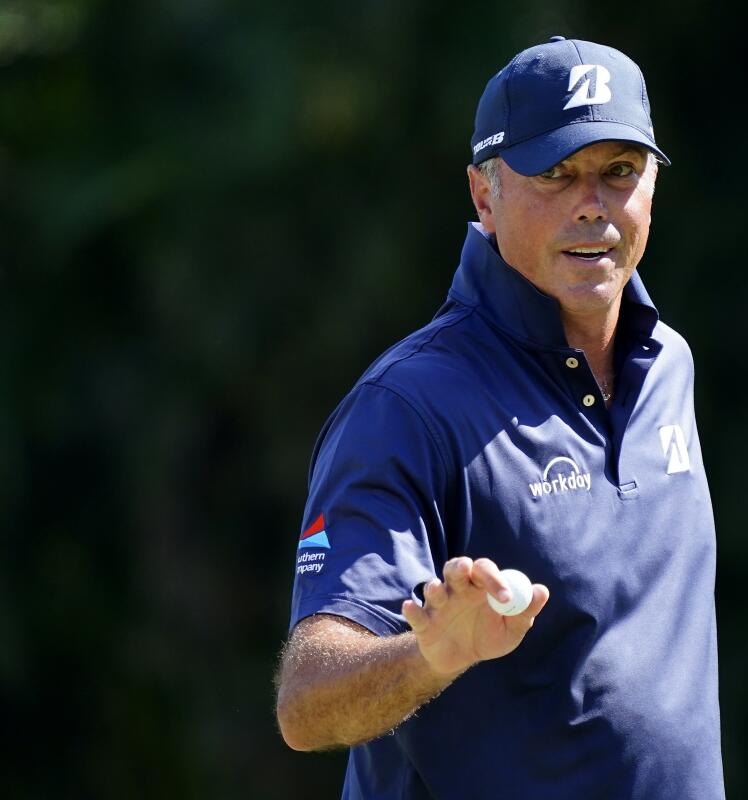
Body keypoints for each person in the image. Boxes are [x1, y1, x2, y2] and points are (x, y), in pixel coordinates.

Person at [275, 36, 725, 799]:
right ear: (485, 196)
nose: (593, 204)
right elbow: (306, 706)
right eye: (557, 173)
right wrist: (430, 656)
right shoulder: (408, 408)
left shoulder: (667, 365)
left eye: (619, 172)